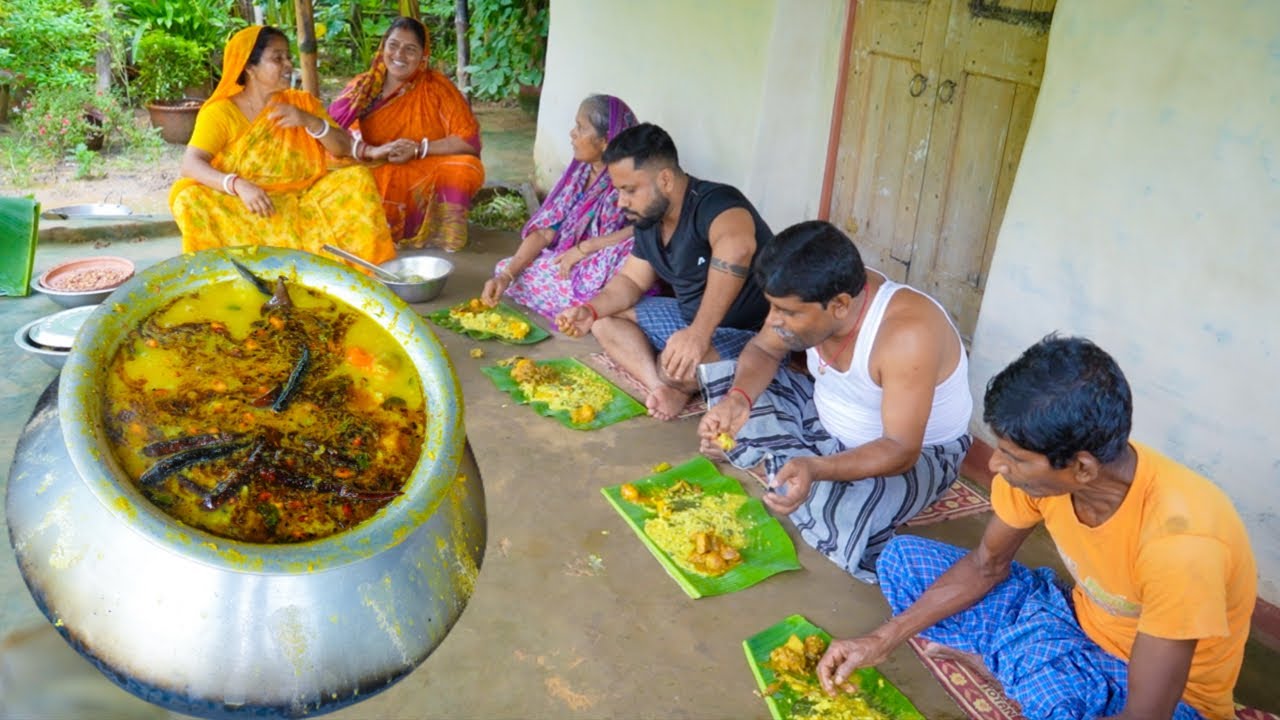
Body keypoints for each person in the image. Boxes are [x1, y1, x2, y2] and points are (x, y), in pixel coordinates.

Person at [816, 336, 1257, 720]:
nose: (995, 464)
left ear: (1083, 468)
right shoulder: (1045, 477)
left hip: (1160, 692)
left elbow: (1146, 715)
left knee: (1058, 701)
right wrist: (881, 639)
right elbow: (986, 565)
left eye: (1014, 457)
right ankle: (1018, 665)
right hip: (1067, 618)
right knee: (903, 560)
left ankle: (1009, 665)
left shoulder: (1181, 545)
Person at [697, 220, 973, 581]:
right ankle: (782, 463)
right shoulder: (815, 290)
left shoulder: (907, 335)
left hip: (914, 457)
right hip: (821, 418)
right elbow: (764, 349)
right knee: (728, 383)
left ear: (841, 305)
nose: (774, 320)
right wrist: (739, 399)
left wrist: (817, 469)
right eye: (772, 307)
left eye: (787, 312)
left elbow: (901, 449)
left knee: (846, 511)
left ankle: (778, 462)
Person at [555, 123, 772, 420]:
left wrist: (698, 334)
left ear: (666, 180)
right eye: (618, 191)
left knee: (682, 367)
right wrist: (589, 310)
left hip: (748, 335)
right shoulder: (649, 219)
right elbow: (631, 281)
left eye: (630, 190)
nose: (621, 202)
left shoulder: (718, 203)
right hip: (686, 320)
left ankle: (675, 380)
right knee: (603, 321)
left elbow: (738, 249)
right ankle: (659, 388)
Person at [170, 26, 395, 265]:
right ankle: (231, 270)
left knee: (357, 179)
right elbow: (191, 164)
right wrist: (238, 185)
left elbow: (342, 148)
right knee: (189, 198)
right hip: (250, 205)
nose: (288, 65)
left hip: (302, 199)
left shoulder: (301, 103)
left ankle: (363, 270)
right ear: (249, 67)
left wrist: (309, 121)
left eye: (288, 57)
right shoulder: (221, 113)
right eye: (277, 59)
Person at [329, 17, 485, 252]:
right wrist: (372, 151)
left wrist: (418, 149)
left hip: (420, 166)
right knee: (334, 169)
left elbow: (468, 141)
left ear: (423, 56)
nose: (399, 54)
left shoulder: (437, 87)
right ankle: (367, 234)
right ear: (383, 47)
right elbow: (331, 132)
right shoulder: (364, 87)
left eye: (410, 49)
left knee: (465, 168)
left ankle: (440, 240)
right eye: (393, 45)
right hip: (373, 163)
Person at [480, 94, 639, 319]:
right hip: (570, 266)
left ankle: (599, 307)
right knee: (506, 269)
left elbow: (648, 229)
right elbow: (545, 232)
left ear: (605, 141)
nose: (572, 133)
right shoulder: (578, 175)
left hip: (606, 270)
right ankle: (594, 310)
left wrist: (588, 247)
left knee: (630, 252)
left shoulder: (631, 179)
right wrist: (507, 276)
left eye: (581, 128)